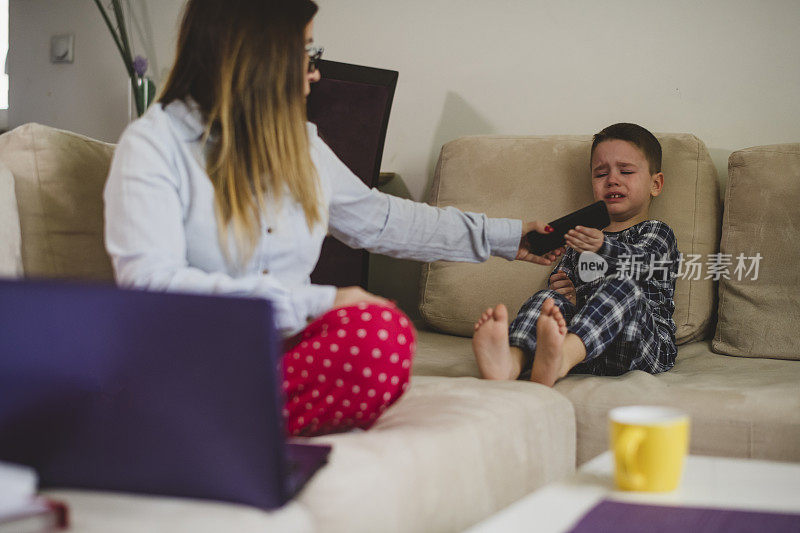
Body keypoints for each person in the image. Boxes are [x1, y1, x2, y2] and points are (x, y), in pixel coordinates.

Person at [103, 0, 561, 437]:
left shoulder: (299, 147)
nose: (315, 72)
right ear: (259, 55)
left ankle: (220, 422)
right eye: (306, 53)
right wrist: (321, 301)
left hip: (275, 361)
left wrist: (507, 236)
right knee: (368, 321)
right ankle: (207, 417)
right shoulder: (153, 144)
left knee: (382, 335)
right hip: (192, 357)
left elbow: (381, 219)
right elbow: (150, 285)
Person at [472, 123, 680, 386]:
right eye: (600, 174)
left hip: (642, 346)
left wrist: (603, 247)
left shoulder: (658, 232)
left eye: (625, 171)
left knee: (623, 284)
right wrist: (565, 291)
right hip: (588, 347)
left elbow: (643, 265)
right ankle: (512, 361)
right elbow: (565, 283)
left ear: (655, 184)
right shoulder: (581, 237)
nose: (612, 179)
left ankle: (560, 358)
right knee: (547, 300)